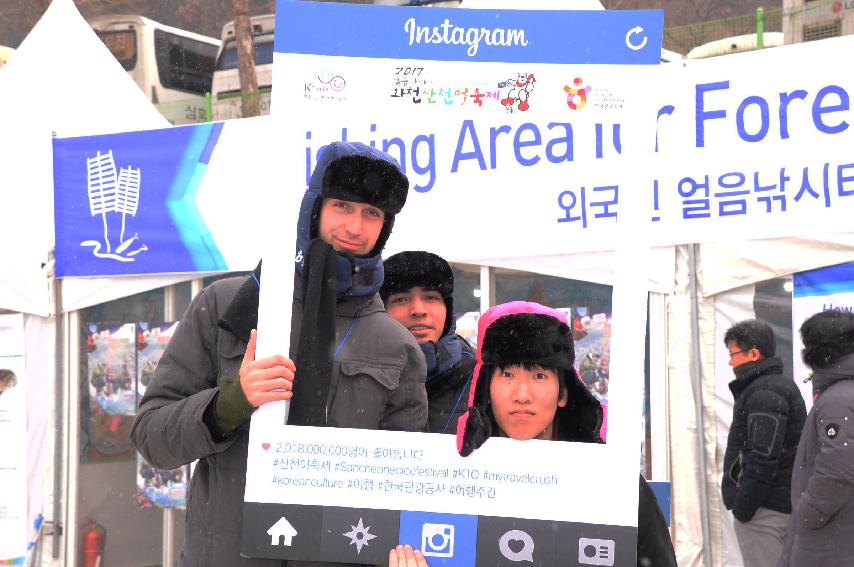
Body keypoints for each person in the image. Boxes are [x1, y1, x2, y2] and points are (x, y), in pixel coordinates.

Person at [130, 141, 428, 567]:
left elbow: (402, 490)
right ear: (313, 208)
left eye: (372, 214)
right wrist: (229, 402)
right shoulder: (228, 305)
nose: (356, 227)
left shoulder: (397, 346)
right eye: (342, 205)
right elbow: (152, 437)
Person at [451, 301, 677, 567]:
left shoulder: (610, 478)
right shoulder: (458, 479)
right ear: (486, 388)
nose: (522, 395)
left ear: (564, 393)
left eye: (538, 375)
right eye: (508, 373)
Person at [721, 320, 806, 567]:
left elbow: (763, 456)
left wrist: (744, 507)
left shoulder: (764, 391)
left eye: (733, 354)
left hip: (765, 512)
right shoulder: (771, 387)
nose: (730, 362)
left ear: (754, 353)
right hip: (777, 504)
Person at [777, 309, 854, 567]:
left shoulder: (839, 399)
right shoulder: (842, 393)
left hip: (833, 543)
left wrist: (809, 512)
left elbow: (838, 469)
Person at [380, 251, 475, 434]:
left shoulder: (480, 379)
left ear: (447, 309)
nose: (418, 310)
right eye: (401, 299)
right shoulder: (361, 375)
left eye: (430, 297)